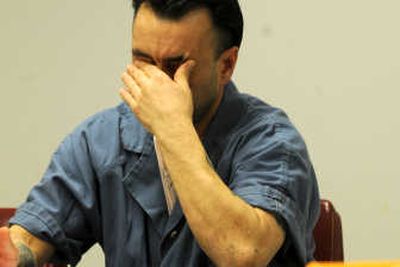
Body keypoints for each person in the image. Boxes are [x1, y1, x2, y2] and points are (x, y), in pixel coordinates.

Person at [0, 0, 320, 266]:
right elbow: (34, 235)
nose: (156, 82)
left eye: (174, 67)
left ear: (226, 64)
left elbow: (243, 253)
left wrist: (173, 128)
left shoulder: (273, 142)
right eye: (142, 61)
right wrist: (18, 252)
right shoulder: (99, 140)